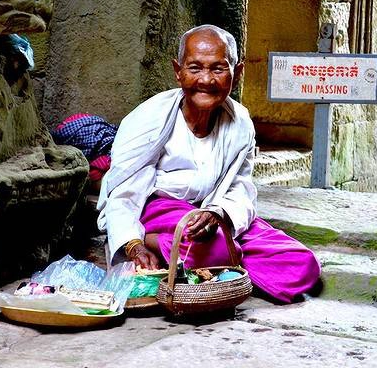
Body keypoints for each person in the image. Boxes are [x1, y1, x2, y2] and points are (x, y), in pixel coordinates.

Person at [96, 24, 321, 303]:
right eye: (194, 68)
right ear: (178, 71)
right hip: (157, 211)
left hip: (213, 216)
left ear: (236, 73)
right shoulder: (150, 119)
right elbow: (124, 193)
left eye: (218, 69)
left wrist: (219, 215)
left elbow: (241, 189)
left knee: (302, 263)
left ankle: (209, 257)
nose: (206, 80)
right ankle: (167, 243)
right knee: (217, 249)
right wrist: (134, 244)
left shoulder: (239, 122)